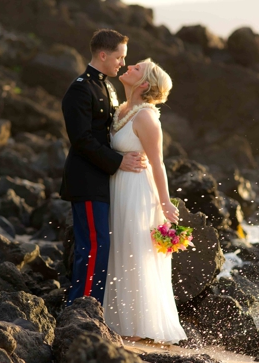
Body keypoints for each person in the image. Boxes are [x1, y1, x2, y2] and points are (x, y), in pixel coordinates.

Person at [60, 29, 147, 306]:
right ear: (103, 54)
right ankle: (81, 310)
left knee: (99, 247)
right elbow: (81, 140)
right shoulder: (80, 88)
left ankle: (90, 308)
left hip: (103, 180)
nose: (122, 62)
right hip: (86, 180)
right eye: (119, 57)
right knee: (95, 247)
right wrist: (119, 161)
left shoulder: (107, 87)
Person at [103, 59, 187, 344]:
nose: (129, 67)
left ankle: (140, 327)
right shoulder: (121, 110)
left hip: (138, 192)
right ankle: (116, 321)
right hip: (118, 187)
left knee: (134, 251)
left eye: (136, 68)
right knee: (118, 249)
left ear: (145, 85)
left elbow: (158, 163)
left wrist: (165, 203)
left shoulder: (147, 118)